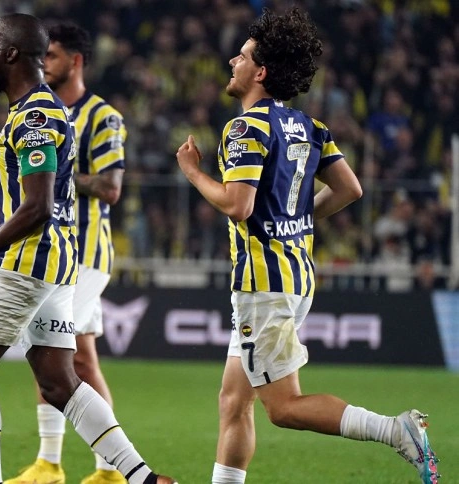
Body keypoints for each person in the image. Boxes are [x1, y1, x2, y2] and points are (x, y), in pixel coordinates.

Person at [174, 8, 440, 484]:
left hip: (263, 285)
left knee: (283, 407)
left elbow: (237, 205)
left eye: (243, 56)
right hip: (295, 276)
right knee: (234, 401)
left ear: (261, 72)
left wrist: (193, 172)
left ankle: (395, 429)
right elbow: (350, 189)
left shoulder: (245, 128)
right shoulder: (309, 126)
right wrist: (292, 220)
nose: (232, 61)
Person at [0, 13, 176, 484]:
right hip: (56, 266)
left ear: (11, 53)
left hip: (20, 263)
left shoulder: (35, 116)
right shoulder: (37, 111)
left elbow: (39, 206)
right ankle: (142, 478)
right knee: (60, 382)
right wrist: (0, 162)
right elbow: (41, 185)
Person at [4, 22, 128, 484]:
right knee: (83, 362)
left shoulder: (103, 117)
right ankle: (108, 471)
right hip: (57, 252)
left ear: (75, 62)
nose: (44, 62)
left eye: (52, 55)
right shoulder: (40, 110)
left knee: (46, 348)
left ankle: (50, 464)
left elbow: (111, 188)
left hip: (86, 255)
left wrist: (53, 172)